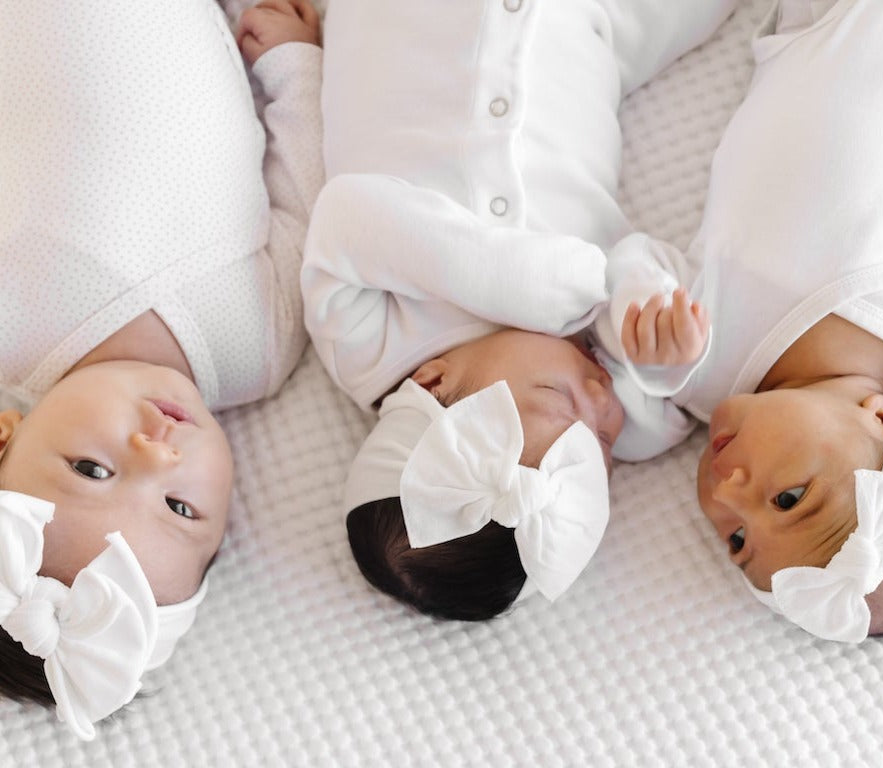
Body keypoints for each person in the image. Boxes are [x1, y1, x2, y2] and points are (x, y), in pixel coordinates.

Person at [0, 0, 323, 737]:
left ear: (2, 441)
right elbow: (305, 194)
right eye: (180, 507)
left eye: (91, 470)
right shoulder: (261, 347)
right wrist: (295, 69)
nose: (156, 454)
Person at [620, 0, 883, 642]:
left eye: (738, 540)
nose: (727, 495)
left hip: (825, 28)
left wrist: (654, 340)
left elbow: (636, 261)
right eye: (788, 500)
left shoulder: (704, 370)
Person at [301, 0, 736, 619]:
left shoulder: (371, 345)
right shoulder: (627, 405)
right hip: (588, 26)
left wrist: (515, 285)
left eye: (558, 398)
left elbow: (344, 216)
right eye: (603, 447)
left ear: (434, 383)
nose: (602, 400)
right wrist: (659, 348)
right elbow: (642, 273)